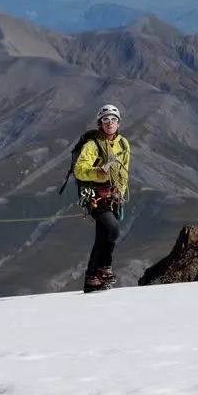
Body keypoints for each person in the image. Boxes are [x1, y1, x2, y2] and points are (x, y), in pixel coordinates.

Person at [74, 104, 130, 293]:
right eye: (105, 119)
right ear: (100, 123)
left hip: (113, 196)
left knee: (103, 236)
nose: (110, 123)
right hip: (94, 196)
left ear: (119, 122)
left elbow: (124, 171)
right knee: (113, 230)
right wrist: (99, 173)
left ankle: (92, 278)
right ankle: (104, 268)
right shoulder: (92, 145)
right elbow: (79, 170)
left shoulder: (123, 144)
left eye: (113, 119)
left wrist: (120, 190)